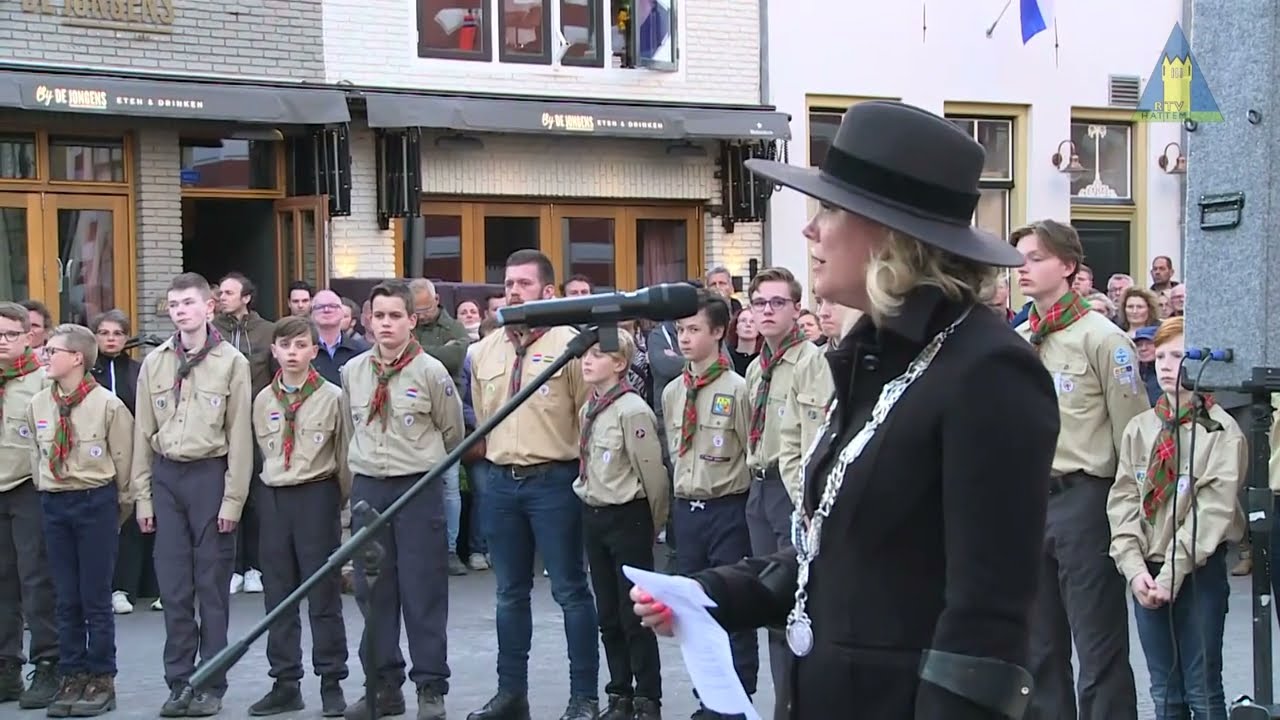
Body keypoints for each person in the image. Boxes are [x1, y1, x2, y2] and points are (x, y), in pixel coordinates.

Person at [632, 101, 1060, 719]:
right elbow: (833, 549)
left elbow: (987, 619)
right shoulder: (874, 357)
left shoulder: (988, 370)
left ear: (890, 234)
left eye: (829, 210)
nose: (811, 230)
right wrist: (708, 593)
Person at [1013, 220, 1149, 720]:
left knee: (1098, 646)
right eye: (1020, 258)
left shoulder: (1104, 339)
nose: (1022, 268)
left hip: (1085, 498)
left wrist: (1133, 518)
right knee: (1039, 647)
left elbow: (1134, 436)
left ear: (1068, 266)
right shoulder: (1019, 339)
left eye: (1035, 258)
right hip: (1029, 501)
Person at [467, 250, 597, 720]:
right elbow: (484, 418)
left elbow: (588, 418)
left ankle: (584, 697)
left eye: (524, 284)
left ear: (548, 292)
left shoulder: (572, 345)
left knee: (570, 591)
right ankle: (511, 694)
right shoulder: (484, 351)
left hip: (555, 482)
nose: (513, 292)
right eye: (508, 284)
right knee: (508, 593)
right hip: (501, 483)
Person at [1107, 316, 1242, 719]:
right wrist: (1134, 569)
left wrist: (1170, 574)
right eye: (1162, 356)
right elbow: (1124, 500)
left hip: (1197, 569)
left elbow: (1212, 512)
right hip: (1147, 571)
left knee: (1203, 689)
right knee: (1164, 691)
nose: (1167, 366)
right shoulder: (1140, 428)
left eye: (1179, 356)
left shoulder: (1221, 432)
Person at [341, 281, 464, 720]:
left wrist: (420, 467)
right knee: (373, 593)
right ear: (368, 320)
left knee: (422, 591)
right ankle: (383, 687)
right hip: (370, 489)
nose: (386, 324)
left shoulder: (431, 372)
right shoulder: (353, 372)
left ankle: (430, 687)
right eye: (379, 316)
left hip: (416, 489)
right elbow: (350, 429)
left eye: (396, 316)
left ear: (412, 321)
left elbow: (452, 432)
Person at [133, 272, 253, 717]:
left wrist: (233, 499)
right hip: (167, 477)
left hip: (210, 476)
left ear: (209, 307)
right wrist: (143, 496)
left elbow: (239, 436)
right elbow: (143, 433)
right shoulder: (155, 362)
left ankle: (210, 682)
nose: (180, 311)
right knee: (174, 587)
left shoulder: (231, 362)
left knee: (212, 587)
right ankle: (179, 681)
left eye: (188, 303)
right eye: (174, 305)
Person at [26, 323, 133, 717]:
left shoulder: (107, 405)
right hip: (55, 502)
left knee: (95, 597)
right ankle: (72, 674)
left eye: (52, 350)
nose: (45, 355)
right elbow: (36, 456)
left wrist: (118, 509)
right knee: (65, 597)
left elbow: (124, 463)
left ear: (77, 358)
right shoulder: (39, 404)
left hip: (94, 501)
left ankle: (102, 678)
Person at [742, 267, 833, 720]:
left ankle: (794, 707)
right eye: (760, 303)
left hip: (789, 490)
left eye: (778, 303)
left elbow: (811, 440)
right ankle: (783, 702)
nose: (767, 311)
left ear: (797, 309)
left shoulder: (810, 362)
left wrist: (807, 503)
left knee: (794, 605)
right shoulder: (756, 368)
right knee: (769, 607)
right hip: (759, 489)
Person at [661, 291, 757, 718]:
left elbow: (750, 452)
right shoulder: (673, 392)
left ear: (718, 332)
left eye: (694, 329)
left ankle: (738, 700)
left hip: (727, 508)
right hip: (688, 510)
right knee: (694, 610)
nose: (685, 338)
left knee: (731, 605)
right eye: (680, 330)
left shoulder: (737, 390)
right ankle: (708, 699)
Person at [248, 317, 351, 717]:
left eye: (300, 345)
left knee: (323, 593)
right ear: (274, 351)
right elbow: (262, 452)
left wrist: (336, 501)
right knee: (278, 594)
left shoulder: (333, 397)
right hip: (275, 497)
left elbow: (344, 456)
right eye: (285, 346)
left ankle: (331, 680)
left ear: (313, 350)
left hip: (316, 494)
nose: (292, 353)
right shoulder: (263, 400)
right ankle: (285, 682)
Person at [575, 329, 668, 720]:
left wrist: (652, 524)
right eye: (585, 355)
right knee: (608, 614)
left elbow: (653, 476)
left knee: (635, 614)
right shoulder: (589, 408)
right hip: (594, 512)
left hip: (627, 515)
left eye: (598, 355)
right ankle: (619, 693)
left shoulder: (632, 410)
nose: (587, 361)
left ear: (619, 363)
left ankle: (647, 696)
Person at [0, 302, 60, 709]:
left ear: (28, 337)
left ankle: (48, 663)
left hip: (29, 487)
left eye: (11, 335)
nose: (3, 342)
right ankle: (6, 667)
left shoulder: (42, 380)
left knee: (36, 579)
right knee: (1, 582)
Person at [91, 310, 159, 616]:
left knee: (131, 517)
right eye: (104, 333)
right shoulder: (87, 371)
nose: (111, 339)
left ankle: (124, 588)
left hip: (131, 454)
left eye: (117, 334)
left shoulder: (137, 371)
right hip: (95, 455)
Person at [214, 272, 276, 597]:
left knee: (256, 497)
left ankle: (254, 567)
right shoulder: (212, 331)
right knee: (226, 493)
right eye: (221, 292)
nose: (222, 297)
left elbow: (276, 376)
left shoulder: (268, 331)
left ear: (246, 298)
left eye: (229, 292)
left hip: (256, 423)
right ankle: (232, 567)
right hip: (220, 422)